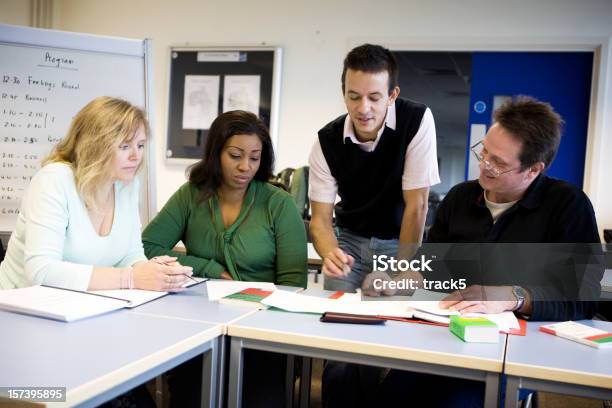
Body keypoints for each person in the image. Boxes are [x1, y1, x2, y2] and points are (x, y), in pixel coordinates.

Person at [375, 96, 603, 407]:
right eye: (484, 153)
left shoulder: (568, 206)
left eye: (499, 162)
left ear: (534, 169)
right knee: (390, 395)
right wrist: (403, 279)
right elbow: (431, 267)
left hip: (515, 350)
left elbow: (583, 295)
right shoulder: (459, 199)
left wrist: (512, 296)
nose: (484, 165)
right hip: (445, 337)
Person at [142, 109, 307, 408]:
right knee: (192, 396)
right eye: (235, 155)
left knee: (260, 399)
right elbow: (148, 246)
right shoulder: (191, 195)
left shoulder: (278, 204)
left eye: (255, 158)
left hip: (262, 334)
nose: (246, 166)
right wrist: (209, 268)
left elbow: (294, 285)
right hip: (199, 329)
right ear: (216, 152)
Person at [0, 96, 193, 292]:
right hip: (16, 305)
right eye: (124, 146)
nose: (136, 156)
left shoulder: (126, 184)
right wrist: (131, 278)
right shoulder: (54, 180)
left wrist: (158, 273)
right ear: (94, 145)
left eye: (140, 145)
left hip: (76, 305)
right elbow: (41, 271)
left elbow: (130, 255)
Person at [308, 43, 440, 293]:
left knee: (391, 315)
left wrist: (402, 273)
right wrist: (330, 253)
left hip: (397, 242)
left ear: (392, 95)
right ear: (344, 92)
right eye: (354, 96)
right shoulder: (326, 141)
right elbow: (320, 220)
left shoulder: (416, 120)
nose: (363, 108)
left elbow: (417, 205)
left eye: (374, 97)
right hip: (348, 241)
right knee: (336, 314)